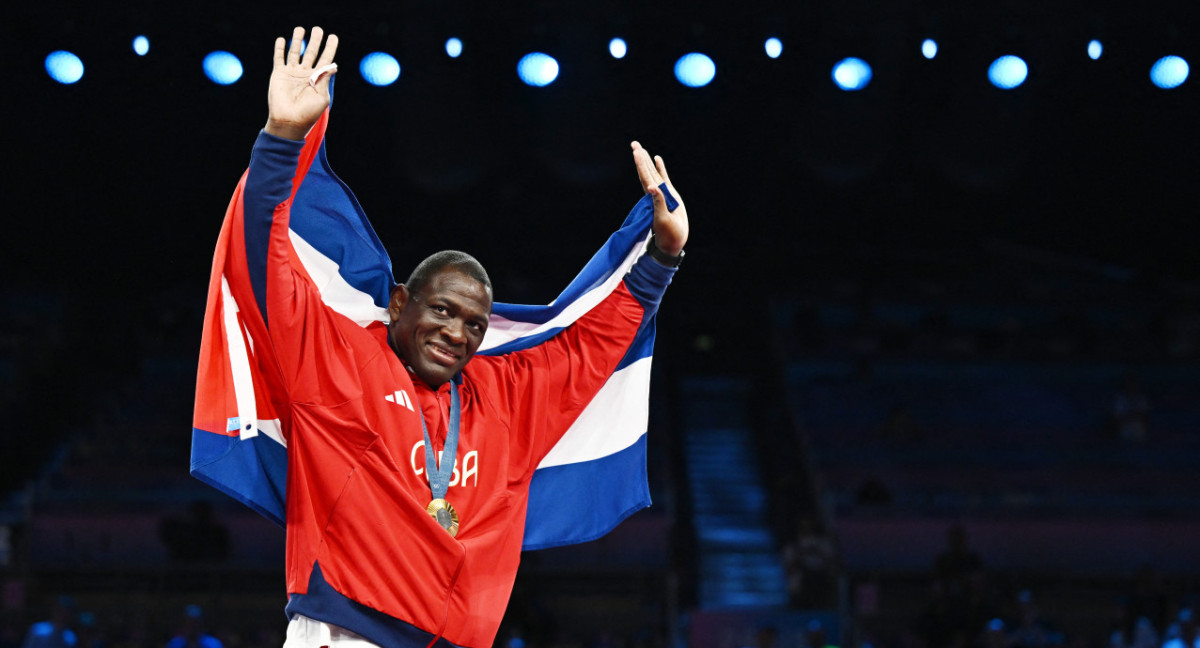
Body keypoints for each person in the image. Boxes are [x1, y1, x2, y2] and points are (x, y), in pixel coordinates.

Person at [214, 26, 688, 648]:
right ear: (402, 305)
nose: (457, 333)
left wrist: (662, 258)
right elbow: (268, 268)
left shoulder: (504, 400)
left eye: (474, 324)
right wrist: (279, 141)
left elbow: (588, 348)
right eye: (442, 310)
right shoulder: (340, 364)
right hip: (344, 631)